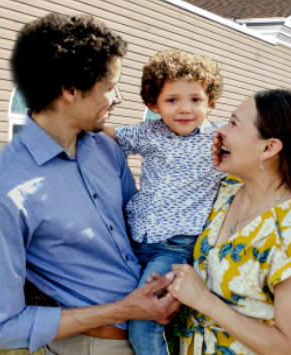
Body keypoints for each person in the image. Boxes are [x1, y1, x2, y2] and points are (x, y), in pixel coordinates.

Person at [0, 13, 179, 355]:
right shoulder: (3, 191)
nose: (119, 98)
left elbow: (142, 233)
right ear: (70, 90)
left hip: (152, 336)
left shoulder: (106, 149)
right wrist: (126, 309)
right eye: (110, 87)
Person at [168, 89, 291, 355]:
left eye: (234, 123)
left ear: (269, 147)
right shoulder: (226, 192)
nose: (221, 129)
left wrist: (203, 300)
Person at [103, 49, 226, 355]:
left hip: (171, 250)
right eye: (172, 100)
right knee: (114, 311)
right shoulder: (149, 133)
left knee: (143, 325)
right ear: (153, 104)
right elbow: (106, 133)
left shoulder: (220, 143)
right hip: (132, 242)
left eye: (195, 100)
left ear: (210, 101)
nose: (184, 109)